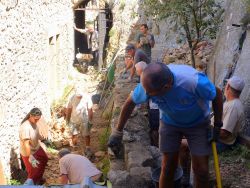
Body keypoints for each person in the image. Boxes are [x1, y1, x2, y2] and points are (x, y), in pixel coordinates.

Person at [108, 63, 223, 188]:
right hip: (170, 122)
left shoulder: (193, 82)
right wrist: (117, 132)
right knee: (168, 168)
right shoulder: (149, 84)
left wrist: (217, 125)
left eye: (151, 94)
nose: (146, 95)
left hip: (198, 123)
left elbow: (217, 94)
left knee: (201, 170)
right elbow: (130, 103)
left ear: (167, 87)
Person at [180, 76, 245, 187]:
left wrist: (203, 133)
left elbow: (225, 133)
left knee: (181, 144)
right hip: (212, 135)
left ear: (228, 87)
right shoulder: (231, 103)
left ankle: (185, 178)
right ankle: (185, 176)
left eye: (226, 85)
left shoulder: (233, 106)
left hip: (220, 142)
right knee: (183, 134)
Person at [19, 108, 48, 185]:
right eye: (36, 119)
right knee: (33, 173)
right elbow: (26, 144)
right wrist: (30, 156)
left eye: (38, 119)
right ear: (31, 116)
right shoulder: (25, 127)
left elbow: (36, 134)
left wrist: (43, 139)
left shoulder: (34, 122)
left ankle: (39, 178)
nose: (37, 121)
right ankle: (32, 184)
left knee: (44, 159)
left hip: (37, 148)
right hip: (29, 152)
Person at [135, 61, 160, 147]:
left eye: (136, 70)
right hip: (156, 107)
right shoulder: (151, 74)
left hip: (155, 108)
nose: (136, 72)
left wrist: (137, 105)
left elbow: (140, 97)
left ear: (141, 70)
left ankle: (156, 146)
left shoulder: (146, 78)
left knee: (154, 129)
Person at [65, 90, 93, 157]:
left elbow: (90, 109)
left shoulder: (87, 97)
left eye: (80, 96)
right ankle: (75, 147)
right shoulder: (71, 97)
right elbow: (69, 109)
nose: (79, 97)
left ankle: (88, 148)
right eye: (78, 96)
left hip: (85, 119)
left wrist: (90, 120)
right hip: (74, 119)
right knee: (74, 134)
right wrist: (67, 119)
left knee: (86, 134)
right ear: (76, 94)